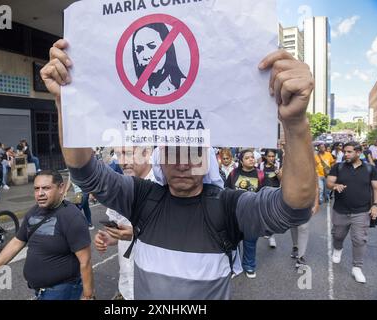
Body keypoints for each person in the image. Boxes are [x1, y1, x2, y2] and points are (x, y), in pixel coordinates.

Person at [41, 40, 316, 299]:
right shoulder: (141, 196)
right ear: (160, 157)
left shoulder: (230, 207)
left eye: (194, 151)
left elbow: (294, 209)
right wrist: (67, 104)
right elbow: (85, 173)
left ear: (207, 158)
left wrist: (295, 123)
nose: (183, 163)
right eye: (174, 151)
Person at [0, 170, 94, 300]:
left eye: (46, 188)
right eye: (36, 189)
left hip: (61, 291)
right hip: (41, 291)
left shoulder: (72, 217)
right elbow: (16, 242)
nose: (40, 193)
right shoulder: (33, 212)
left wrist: (87, 295)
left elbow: (85, 261)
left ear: (61, 188)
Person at [95, 146, 154, 300]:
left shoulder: (166, 186)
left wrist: (136, 232)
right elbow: (116, 228)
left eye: (128, 153)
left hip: (155, 289)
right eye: (118, 154)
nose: (122, 161)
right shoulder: (119, 188)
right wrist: (109, 237)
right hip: (127, 284)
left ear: (147, 153)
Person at [326, 142, 377, 283]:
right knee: (337, 235)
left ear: (358, 152)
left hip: (361, 211)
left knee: (359, 239)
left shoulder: (370, 169)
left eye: (349, 152)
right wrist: (335, 185)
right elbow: (329, 183)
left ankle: (357, 267)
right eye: (345, 151)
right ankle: (338, 249)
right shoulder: (338, 167)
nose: (346, 154)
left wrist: (376, 206)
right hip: (340, 210)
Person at [225, 150, 265, 277]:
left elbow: (265, 193)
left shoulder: (260, 174)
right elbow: (226, 190)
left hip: (252, 214)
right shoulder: (233, 173)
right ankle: (232, 267)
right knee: (232, 242)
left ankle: (249, 266)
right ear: (241, 161)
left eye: (252, 157)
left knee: (250, 241)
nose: (251, 159)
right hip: (234, 213)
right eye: (247, 158)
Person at [132, 23, 186, 96]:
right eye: (139, 49)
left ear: (168, 47)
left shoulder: (183, 84)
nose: (146, 56)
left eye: (152, 46)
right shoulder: (142, 90)